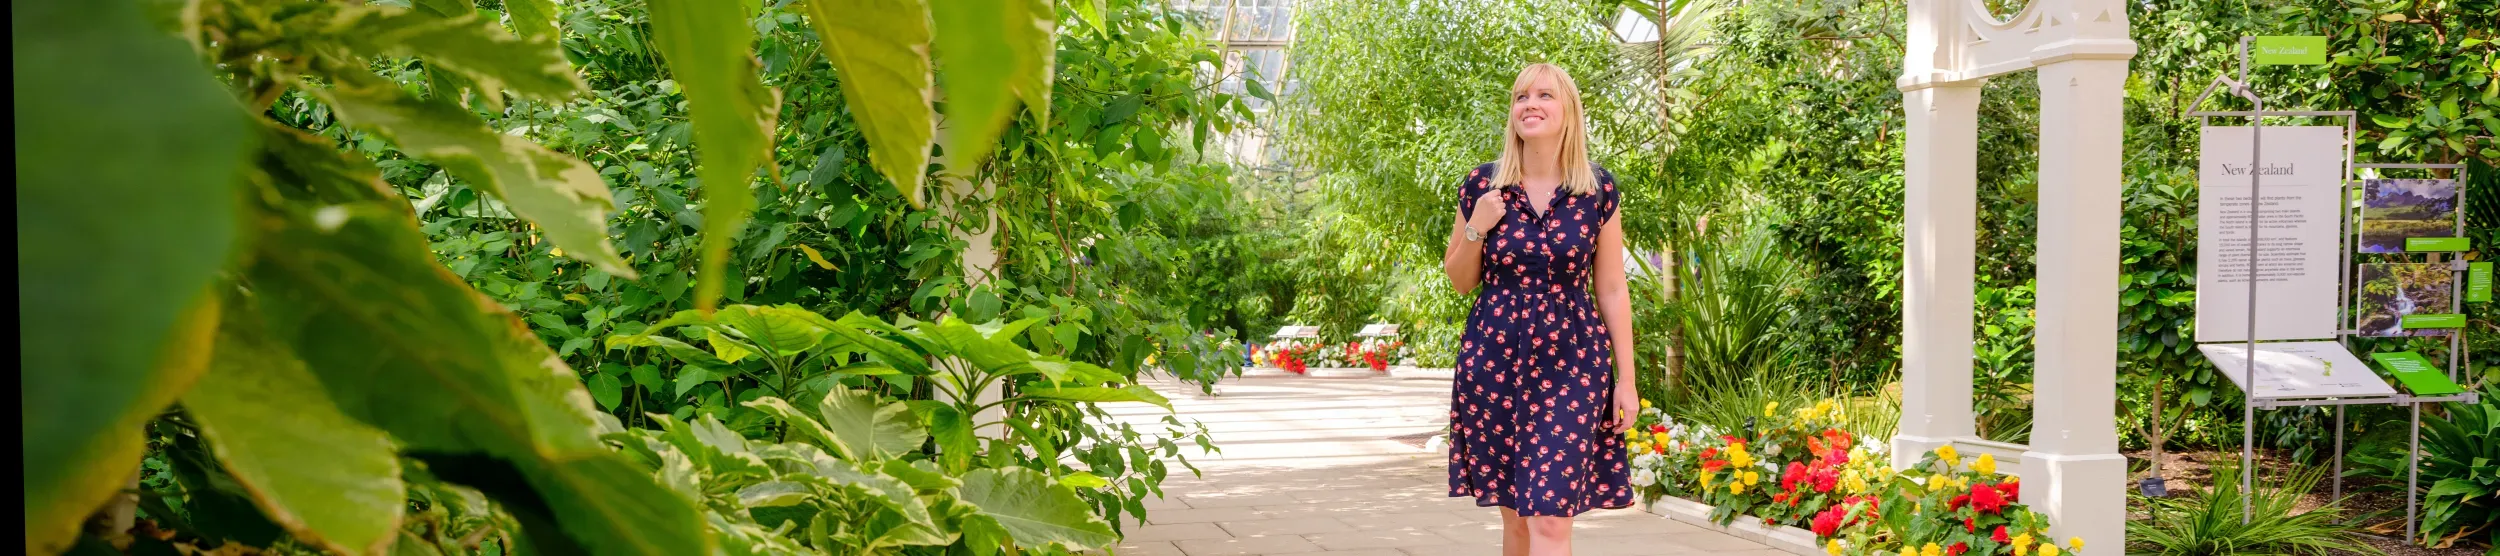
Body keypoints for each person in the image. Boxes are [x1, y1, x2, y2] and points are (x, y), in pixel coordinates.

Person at [1440, 63, 1637, 556]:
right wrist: (1477, 227)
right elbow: (1461, 280)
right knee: (1519, 526)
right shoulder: (1482, 186)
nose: (1530, 103)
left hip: (1573, 364)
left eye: (1545, 95)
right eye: (1522, 96)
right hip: (1494, 362)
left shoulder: (1597, 190)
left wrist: (1627, 381)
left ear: (1568, 110)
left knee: (1550, 519)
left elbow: (1612, 288)